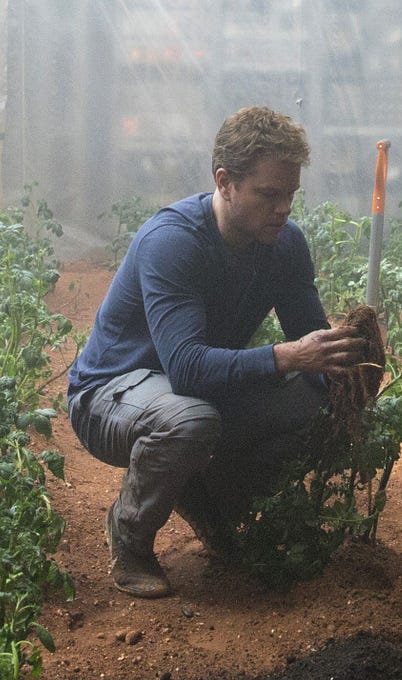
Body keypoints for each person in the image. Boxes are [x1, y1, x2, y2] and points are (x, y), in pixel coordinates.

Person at [67, 106, 366, 599]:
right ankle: (130, 537)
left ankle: (213, 500)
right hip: (111, 394)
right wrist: (289, 356)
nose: (284, 208)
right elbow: (185, 369)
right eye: (269, 194)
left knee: (316, 398)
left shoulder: (285, 245)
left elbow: (310, 342)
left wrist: (348, 353)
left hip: (195, 394)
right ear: (224, 182)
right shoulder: (174, 243)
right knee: (190, 421)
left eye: (290, 194)